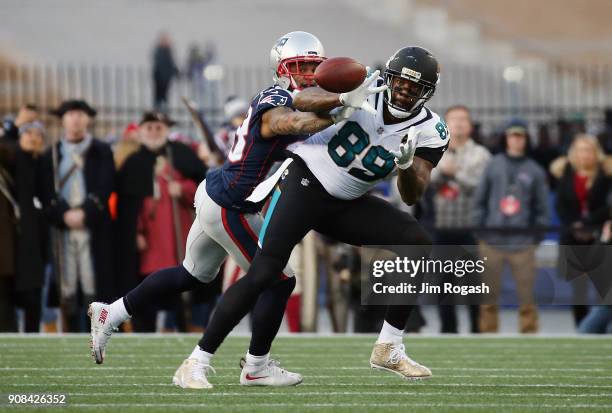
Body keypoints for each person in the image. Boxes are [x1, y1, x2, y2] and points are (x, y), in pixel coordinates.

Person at [89, 31, 356, 387]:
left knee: (190, 275)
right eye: (301, 67)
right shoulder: (276, 97)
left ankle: (113, 311)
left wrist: (347, 103)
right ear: (283, 70)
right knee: (279, 281)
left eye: (313, 67)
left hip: (218, 193)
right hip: (231, 204)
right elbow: (292, 123)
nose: (309, 74)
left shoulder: (303, 100)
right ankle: (253, 366)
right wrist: (343, 105)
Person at [194, 46, 448, 384]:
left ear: (427, 93)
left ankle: (389, 346)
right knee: (265, 271)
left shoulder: (431, 130)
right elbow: (301, 100)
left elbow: (411, 194)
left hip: (348, 201)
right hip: (305, 183)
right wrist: (342, 97)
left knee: (417, 242)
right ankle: (198, 359)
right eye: (400, 83)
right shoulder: (364, 86)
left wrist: (405, 167)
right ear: (388, 77)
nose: (403, 91)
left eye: (413, 88)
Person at [114, 111, 207, 332]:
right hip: (150, 241)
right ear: (141, 131)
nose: (154, 132)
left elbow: (204, 188)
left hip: (179, 235)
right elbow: (126, 205)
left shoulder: (182, 155)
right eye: (149, 128)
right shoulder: (133, 163)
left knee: (182, 290)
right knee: (147, 290)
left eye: (159, 128)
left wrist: (183, 189)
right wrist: (135, 232)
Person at [40, 99, 115, 332]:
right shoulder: (51, 154)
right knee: (66, 283)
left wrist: (85, 212)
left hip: (92, 225)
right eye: (71, 114)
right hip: (63, 227)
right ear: (63, 119)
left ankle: (97, 331)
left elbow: (105, 186)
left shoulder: (101, 151)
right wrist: (63, 214)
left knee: (93, 281)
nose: (75, 119)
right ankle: (70, 329)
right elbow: (45, 191)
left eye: (80, 114)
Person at [472, 120, 551, 334]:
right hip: (491, 241)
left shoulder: (534, 170)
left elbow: (543, 207)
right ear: (506, 138)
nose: (516, 139)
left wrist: (536, 237)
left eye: (521, 136)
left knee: (527, 298)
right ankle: (488, 337)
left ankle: (529, 336)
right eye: (512, 135)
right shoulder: (493, 165)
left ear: (526, 139)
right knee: (488, 298)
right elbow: (479, 200)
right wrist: (480, 232)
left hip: (523, 243)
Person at [430, 105, 490, 333]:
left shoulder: (481, 154)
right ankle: (448, 331)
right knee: (443, 286)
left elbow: (481, 187)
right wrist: (439, 172)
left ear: (471, 125)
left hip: (470, 229)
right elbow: (422, 179)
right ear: (445, 124)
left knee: (473, 285)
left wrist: (455, 174)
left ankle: (477, 331)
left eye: (463, 119)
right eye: (453, 119)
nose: (458, 123)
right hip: (441, 228)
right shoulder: (434, 148)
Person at [550, 134, 611, 327]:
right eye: (581, 150)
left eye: (589, 150)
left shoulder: (605, 175)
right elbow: (561, 205)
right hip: (573, 237)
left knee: (605, 286)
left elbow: (607, 206)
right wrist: (575, 224)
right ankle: (582, 327)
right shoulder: (565, 174)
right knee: (579, 289)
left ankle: (600, 328)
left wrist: (588, 222)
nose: (585, 154)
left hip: (600, 236)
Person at [152, 32, 179, 112]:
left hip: (166, 77)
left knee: (165, 96)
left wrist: (175, 71)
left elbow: (171, 63)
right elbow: (160, 65)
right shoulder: (159, 51)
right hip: (160, 78)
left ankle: (163, 108)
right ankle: (158, 109)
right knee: (159, 95)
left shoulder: (168, 51)